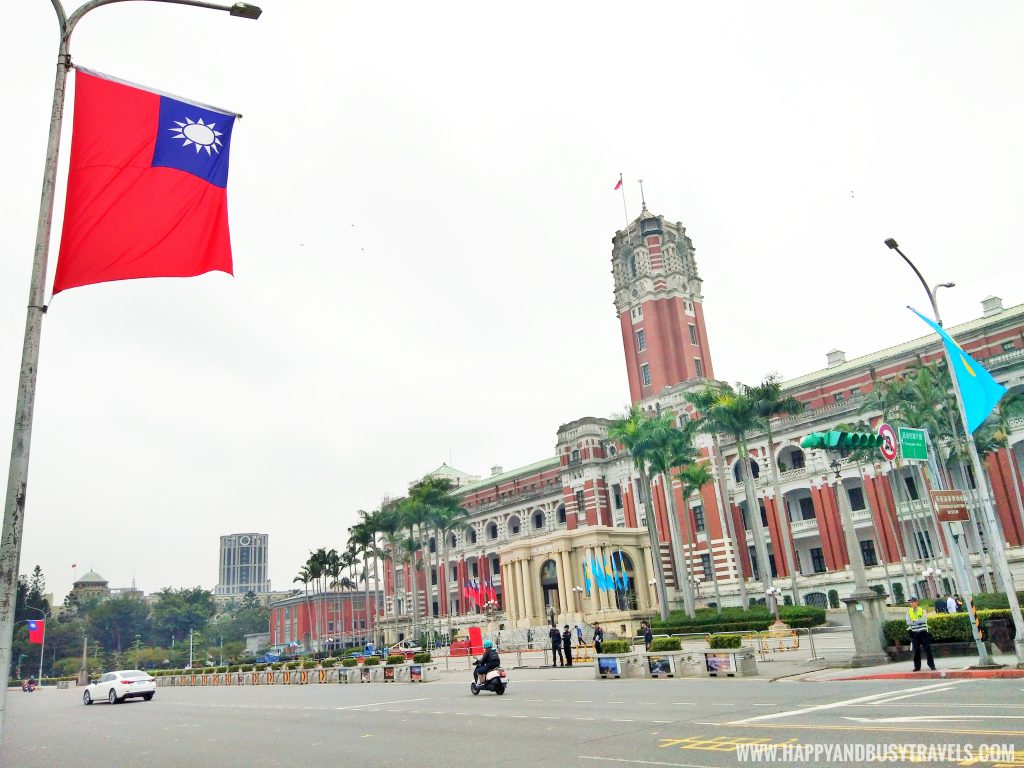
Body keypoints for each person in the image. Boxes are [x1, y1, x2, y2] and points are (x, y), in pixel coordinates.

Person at [906, 596, 936, 672]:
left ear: (917, 602)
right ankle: (917, 667)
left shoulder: (922, 610)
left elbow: (923, 620)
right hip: (913, 633)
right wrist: (917, 621)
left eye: (913, 601)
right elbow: (908, 622)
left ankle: (931, 665)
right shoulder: (908, 612)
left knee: (927, 649)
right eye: (910, 602)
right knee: (916, 651)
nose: (911, 603)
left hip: (922, 632)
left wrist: (914, 621)